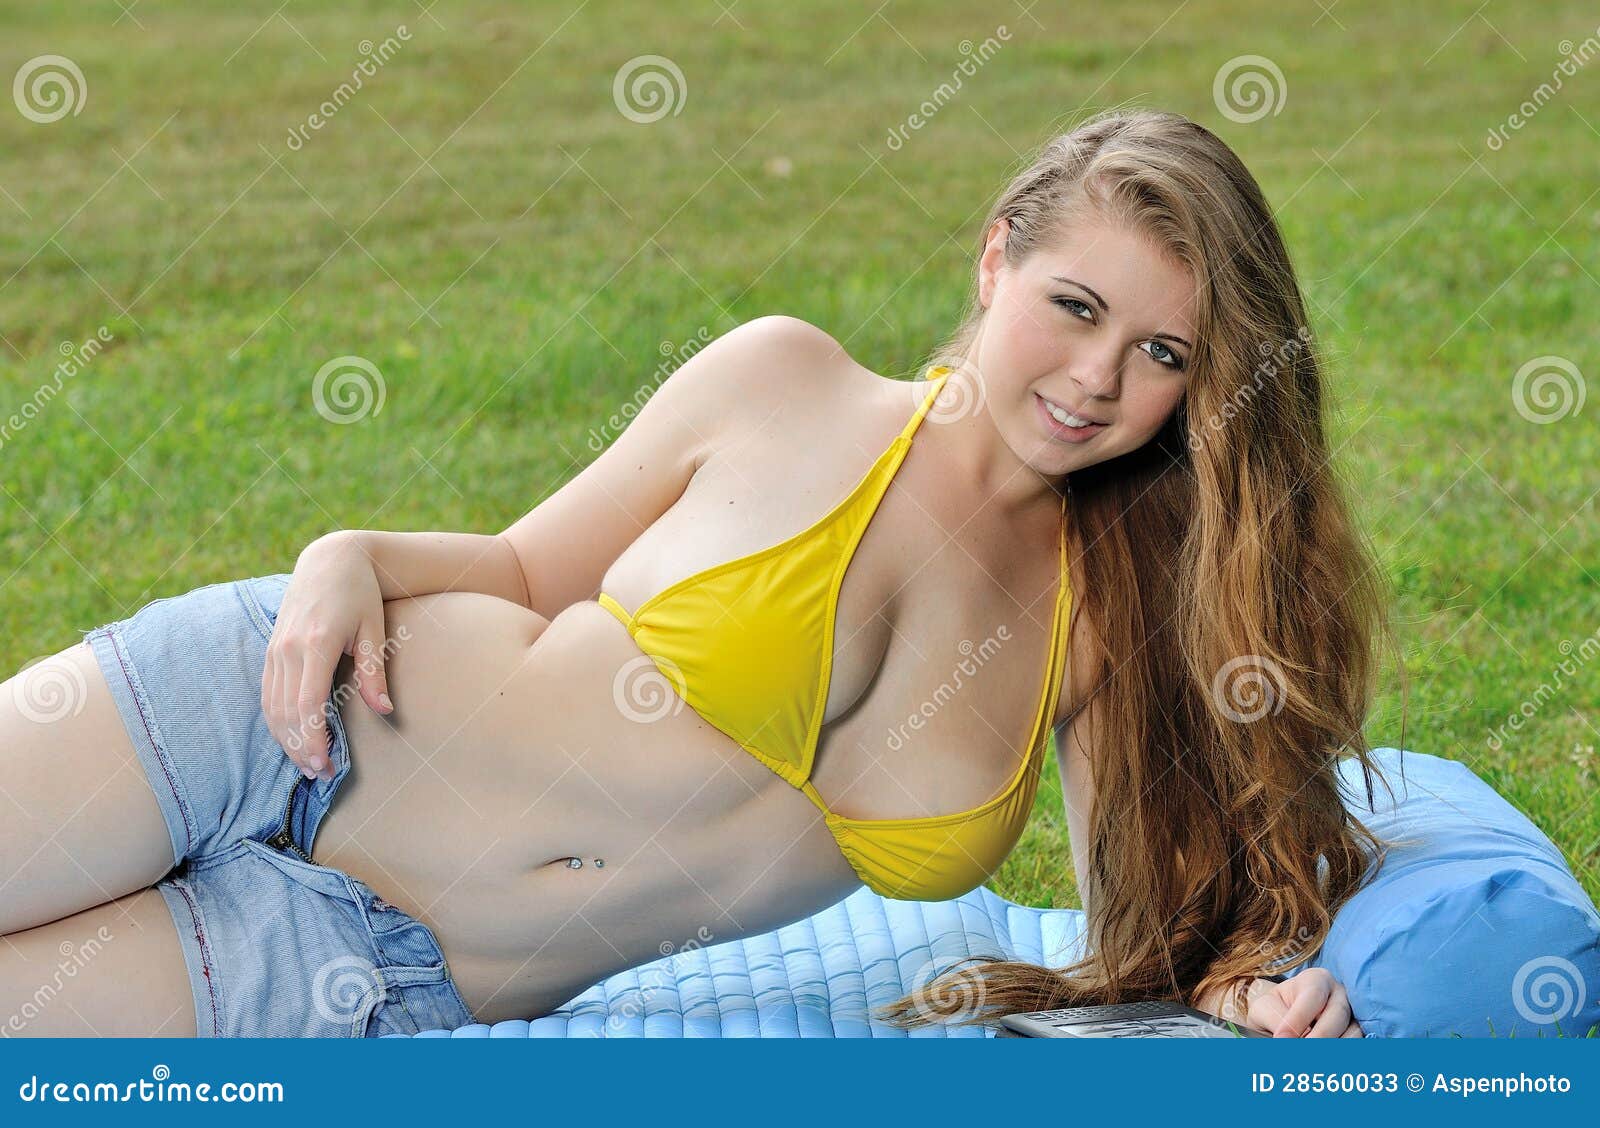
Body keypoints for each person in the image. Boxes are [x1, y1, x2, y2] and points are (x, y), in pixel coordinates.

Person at [1, 107, 1390, 1038]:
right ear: (994, 263)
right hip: (277, 720)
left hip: (372, 978)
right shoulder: (780, 379)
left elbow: (1137, 911)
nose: (1097, 378)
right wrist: (340, 554)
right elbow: (523, 569)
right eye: (1074, 308)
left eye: (1164, 356)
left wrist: (1235, 991)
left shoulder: (1104, 627)